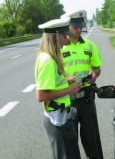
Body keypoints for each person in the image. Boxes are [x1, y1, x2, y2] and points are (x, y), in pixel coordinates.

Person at [35, 17, 81, 159]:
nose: (66, 40)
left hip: (60, 118)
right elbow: (41, 96)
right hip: (57, 119)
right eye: (63, 36)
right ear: (54, 36)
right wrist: (70, 89)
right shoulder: (48, 61)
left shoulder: (49, 57)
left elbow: (52, 84)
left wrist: (69, 80)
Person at [60, 10, 103, 159]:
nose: (79, 30)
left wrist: (94, 75)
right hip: (67, 100)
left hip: (86, 99)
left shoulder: (90, 46)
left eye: (81, 26)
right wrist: (70, 80)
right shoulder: (58, 47)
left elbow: (97, 68)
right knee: (70, 143)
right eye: (75, 26)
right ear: (67, 26)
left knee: (92, 140)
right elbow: (54, 77)